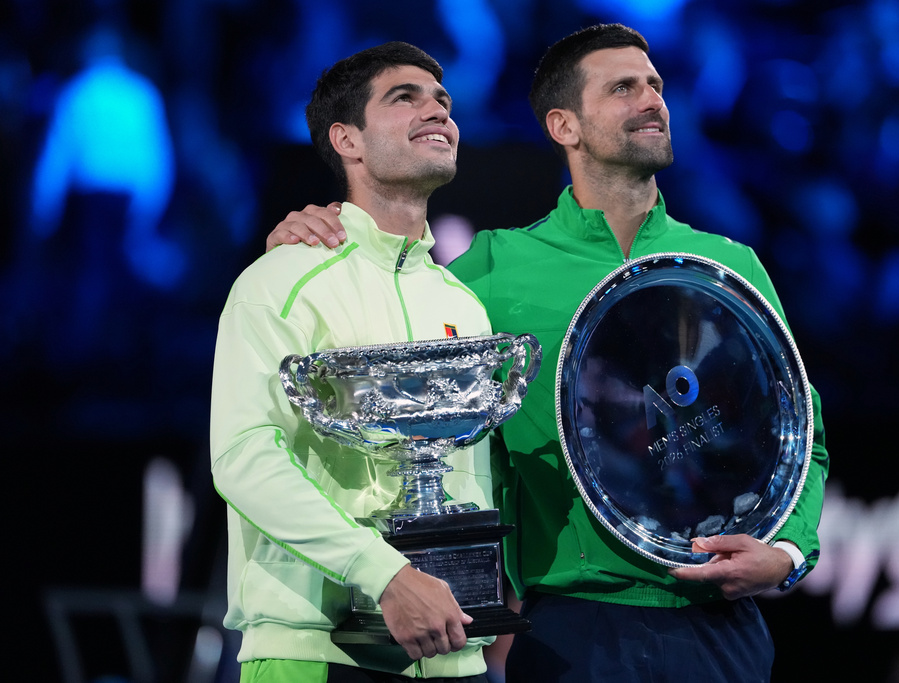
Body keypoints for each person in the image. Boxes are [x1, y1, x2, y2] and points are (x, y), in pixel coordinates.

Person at [267, 24, 829, 683]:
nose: (651, 99)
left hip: (723, 628)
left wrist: (790, 551)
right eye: (623, 88)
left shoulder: (730, 268)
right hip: (574, 635)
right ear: (564, 125)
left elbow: (800, 435)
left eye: (655, 85)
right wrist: (317, 240)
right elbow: (378, 340)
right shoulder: (492, 269)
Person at [210, 42, 496, 683]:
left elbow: (472, 479)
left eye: (443, 101)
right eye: (406, 97)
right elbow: (243, 457)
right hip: (317, 652)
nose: (438, 111)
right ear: (347, 139)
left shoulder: (462, 304)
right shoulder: (280, 280)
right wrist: (386, 575)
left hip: (454, 654)